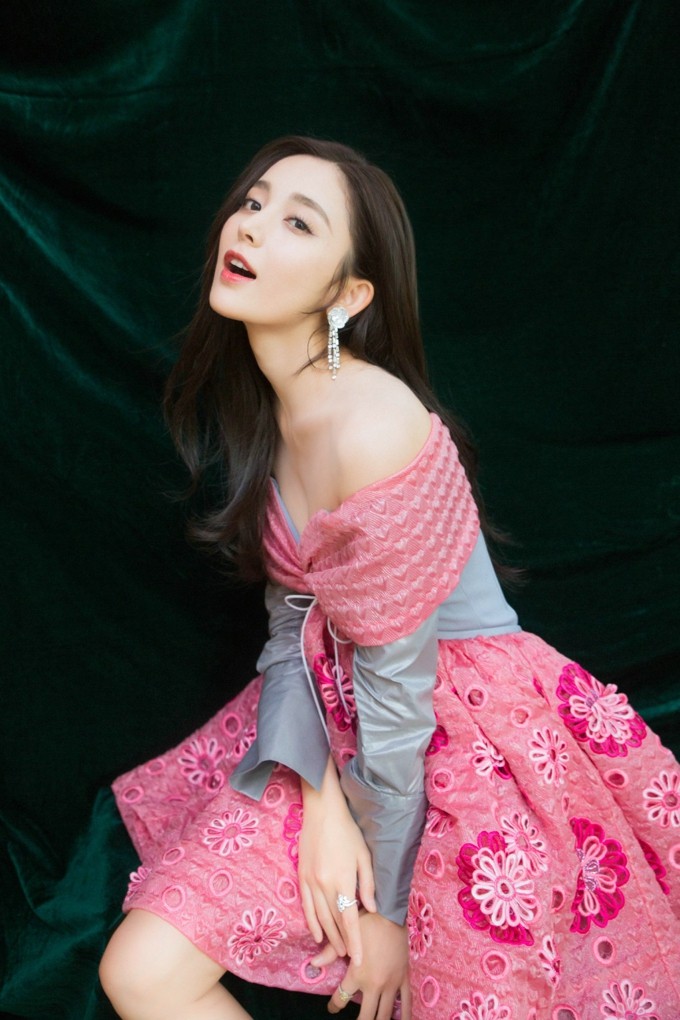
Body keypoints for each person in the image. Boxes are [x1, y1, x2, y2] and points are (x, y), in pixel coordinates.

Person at [99, 136, 680, 1020]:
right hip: (332, 720)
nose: (249, 227)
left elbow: (402, 707)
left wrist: (390, 913)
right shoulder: (276, 405)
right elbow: (293, 623)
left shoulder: (371, 424)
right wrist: (319, 799)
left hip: (456, 737)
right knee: (139, 972)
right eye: (253, 203)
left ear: (347, 297)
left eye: (298, 222)